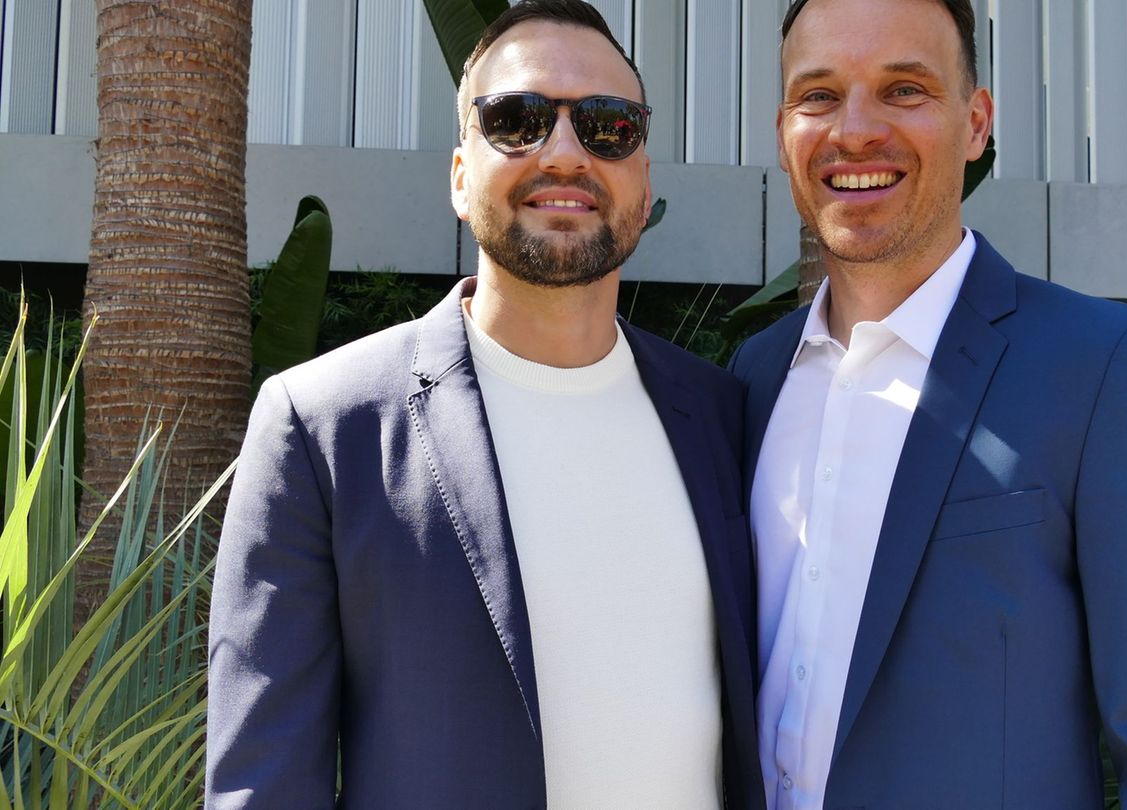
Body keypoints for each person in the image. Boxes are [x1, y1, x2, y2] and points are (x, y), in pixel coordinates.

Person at [205, 2, 763, 807]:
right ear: (461, 177)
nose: (564, 152)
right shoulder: (323, 427)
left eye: (608, 126)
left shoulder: (723, 416)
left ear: (644, 186)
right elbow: (265, 782)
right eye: (517, 120)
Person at [728, 0, 1127, 806]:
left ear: (976, 122)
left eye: (904, 90)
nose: (855, 130)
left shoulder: (1107, 369)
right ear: (783, 132)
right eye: (820, 95)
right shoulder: (754, 377)